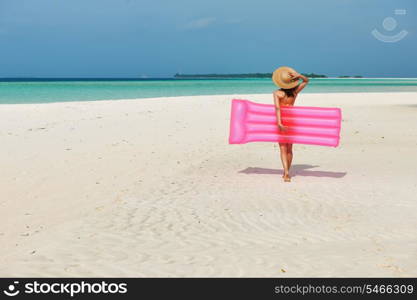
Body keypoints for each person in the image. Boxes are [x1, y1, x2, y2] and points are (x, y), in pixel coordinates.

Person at [272, 66, 309, 182]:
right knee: (289, 148)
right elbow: (307, 80)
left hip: (282, 120)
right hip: (292, 120)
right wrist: (299, 76)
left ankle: (286, 173)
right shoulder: (294, 92)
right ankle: (287, 171)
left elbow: (277, 108)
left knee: (283, 148)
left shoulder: (277, 93)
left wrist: (279, 123)